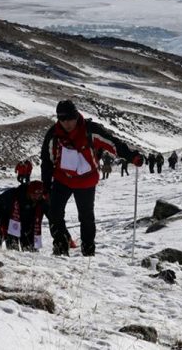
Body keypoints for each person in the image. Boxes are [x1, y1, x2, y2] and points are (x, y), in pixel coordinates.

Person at [41, 100, 141, 256]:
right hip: (62, 179)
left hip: (86, 181)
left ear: (76, 116)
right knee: (54, 213)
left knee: (86, 217)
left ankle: (88, 252)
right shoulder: (53, 134)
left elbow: (113, 143)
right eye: (63, 119)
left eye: (70, 118)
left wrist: (131, 156)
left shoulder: (90, 130)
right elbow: (46, 161)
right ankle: (60, 248)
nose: (67, 123)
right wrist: (46, 187)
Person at [0, 181, 48, 251]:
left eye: (39, 194)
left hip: (28, 225)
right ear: (29, 192)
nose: (37, 197)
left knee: (30, 251)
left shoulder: (42, 201)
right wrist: (2, 221)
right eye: (35, 194)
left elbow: (51, 215)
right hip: (11, 222)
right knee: (13, 250)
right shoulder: (14, 194)